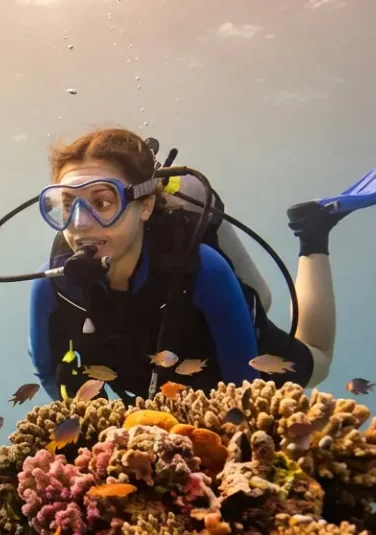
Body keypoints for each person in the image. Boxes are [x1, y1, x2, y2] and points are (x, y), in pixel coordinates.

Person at [27, 128, 339, 402]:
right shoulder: (52, 284)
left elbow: (243, 384)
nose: (80, 224)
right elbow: (47, 372)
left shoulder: (200, 267)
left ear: (145, 206)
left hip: (232, 361)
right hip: (146, 384)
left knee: (319, 364)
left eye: (102, 203)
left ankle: (312, 234)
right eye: (67, 204)